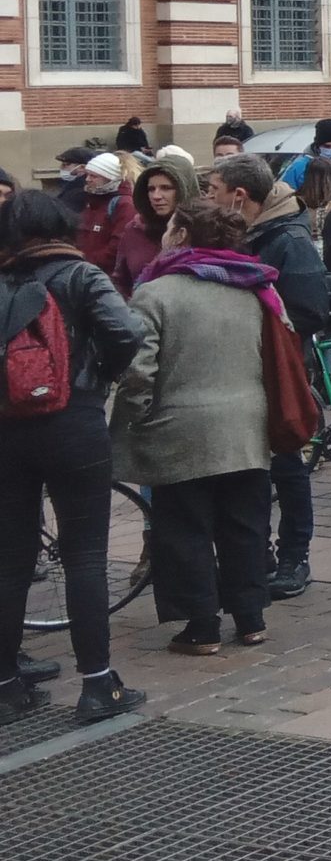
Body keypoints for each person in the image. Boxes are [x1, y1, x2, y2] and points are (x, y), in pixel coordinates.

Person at [0, 196, 148, 723]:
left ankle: (6, 686)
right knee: (84, 555)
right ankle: (96, 685)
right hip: (73, 422)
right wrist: (99, 375)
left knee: (11, 560)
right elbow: (128, 333)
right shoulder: (80, 275)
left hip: (6, 430)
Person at [115, 199, 286, 655]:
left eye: (172, 227)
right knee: (245, 524)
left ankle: (202, 625)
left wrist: (132, 417)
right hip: (248, 425)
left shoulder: (156, 292)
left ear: (184, 235)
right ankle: (250, 618)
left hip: (178, 428)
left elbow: (138, 370)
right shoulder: (257, 286)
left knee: (185, 527)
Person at [204, 156, 331, 600]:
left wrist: (254, 323)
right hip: (239, 370)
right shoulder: (242, 235)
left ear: (239, 196)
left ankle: (295, 555)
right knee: (250, 468)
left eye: (213, 188)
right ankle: (258, 555)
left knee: (286, 465)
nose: (208, 196)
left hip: (280, 372)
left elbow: (311, 311)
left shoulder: (287, 240)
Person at [111, 154, 197, 294]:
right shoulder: (134, 229)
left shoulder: (206, 230)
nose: (156, 196)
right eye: (151, 189)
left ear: (184, 189)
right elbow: (120, 281)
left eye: (166, 188)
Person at [72, 154, 129, 275]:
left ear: (109, 178)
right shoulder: (93, 202)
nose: (87, 179)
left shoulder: (124, 204)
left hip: (106, 276)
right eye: (87, 174)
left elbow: (117, 247)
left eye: (93, 176)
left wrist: (86, 263)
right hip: (88, 271)